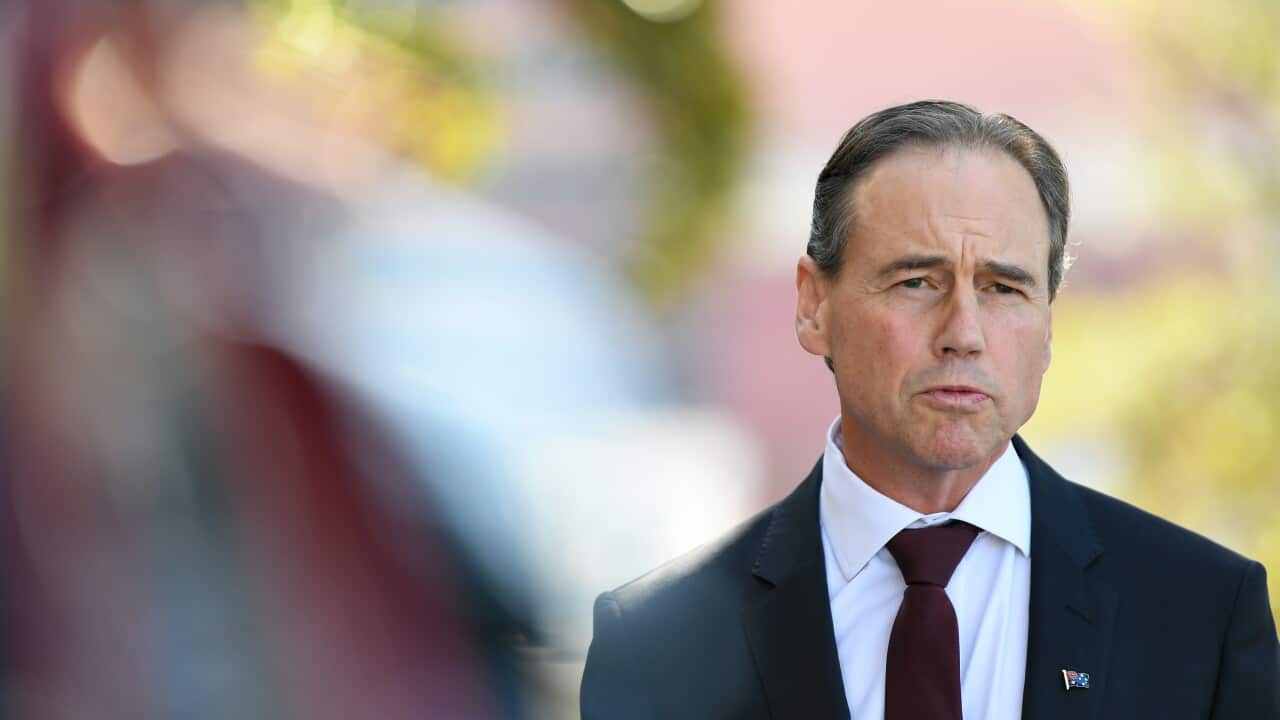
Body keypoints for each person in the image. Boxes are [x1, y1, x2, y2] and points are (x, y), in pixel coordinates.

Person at [579, 100, 1280, 719]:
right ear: (813, 305)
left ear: (1048, 324)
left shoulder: (1203, 615)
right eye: (917, 281)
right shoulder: (656, 643)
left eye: (1004, 289)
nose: (964, 333)